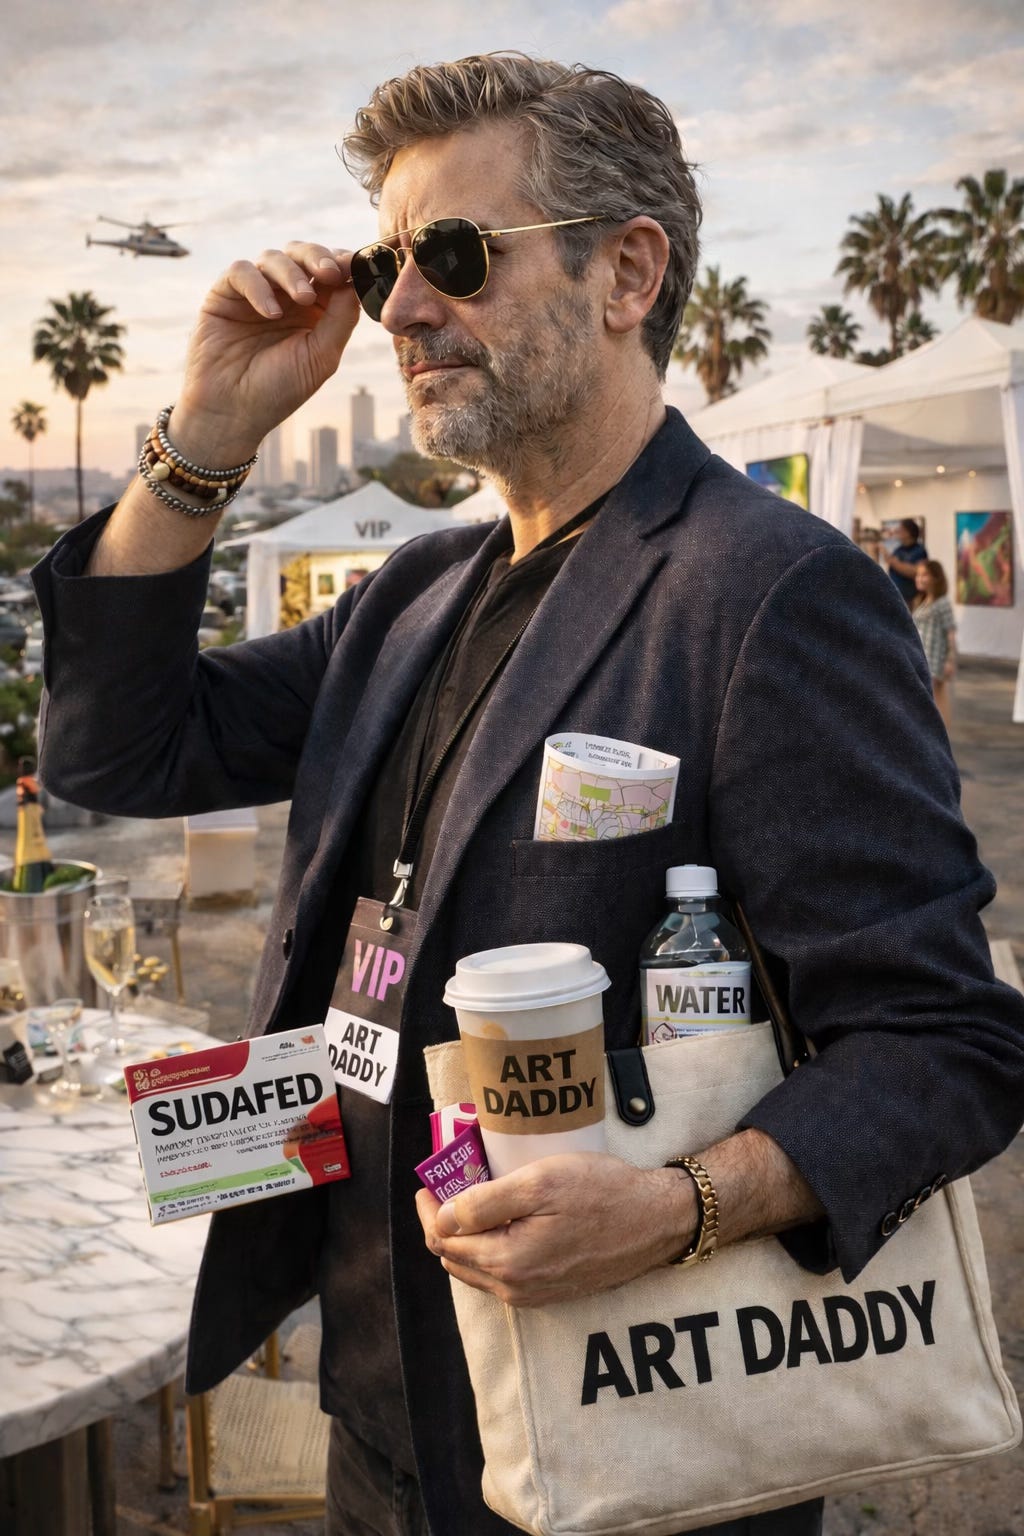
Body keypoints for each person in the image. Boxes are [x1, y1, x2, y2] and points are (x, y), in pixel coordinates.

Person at [32, 53, 1024, 1536]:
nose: (400, 312)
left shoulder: (765, 591)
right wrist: (207, 438)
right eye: (384, 267)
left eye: (453, 254)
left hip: (629, 1437)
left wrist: (681, 1206)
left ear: (626, 273)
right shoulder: (413, 597)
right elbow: (116, 755)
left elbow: (946, 1041)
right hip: (387, 1409)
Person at [913, 558, 957, 730]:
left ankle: (941, 734)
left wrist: (950, 660)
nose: (919, 578)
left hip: (934, 657)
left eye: (924, 575)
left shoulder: (942, 603)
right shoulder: (922, 601)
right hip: (923, 656)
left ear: (936, 578)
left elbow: (950, 632)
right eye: (918, 575)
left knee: (937, 698)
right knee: (930, 698)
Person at [884, 517, 928, 605]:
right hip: (895, 597)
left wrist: (893, 562)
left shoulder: (919, 551)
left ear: (908, 533)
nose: (897, 532)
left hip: (911, 599)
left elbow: (916, 572)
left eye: (900, 530)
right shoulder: (898, 550)